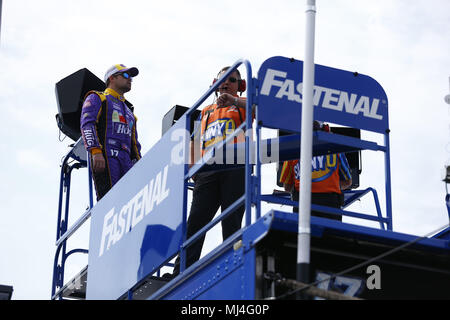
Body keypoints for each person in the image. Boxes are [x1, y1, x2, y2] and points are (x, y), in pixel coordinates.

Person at [170, 66, 247, 277]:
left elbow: (261, 109)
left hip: (235, 166)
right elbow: (196, 139)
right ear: (214, 82)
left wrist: (234, 101)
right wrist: (193, 169)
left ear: (239, 86)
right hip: (208, 172)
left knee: (231, 221)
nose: (226, 83)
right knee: (195, 222)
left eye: (231, 80)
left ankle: (235, 266)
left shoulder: (243, 103)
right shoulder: (205, 111)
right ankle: (180, 272)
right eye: (222, 79)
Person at [80, 64, 142, 200]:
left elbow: (135, 146)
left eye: (131, 77)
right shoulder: (98, 97)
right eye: (126, 75)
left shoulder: (130, 113)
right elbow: (87, 125)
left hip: (126, 161)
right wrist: (95, 152)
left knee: (131, 202)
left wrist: (140, 166)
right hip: (107, 156)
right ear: (112, 78)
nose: (130, 79)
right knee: (109, 201)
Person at [279, 122, 352, 221]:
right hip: (331, 208)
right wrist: (329, 186)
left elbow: (287, 187)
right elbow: (348, 181)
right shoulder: (336, 149)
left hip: (303, 207)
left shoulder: (292, 149)